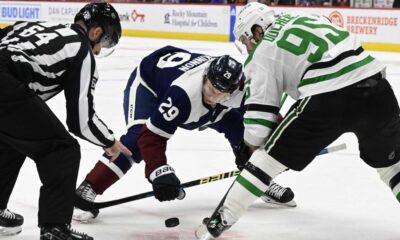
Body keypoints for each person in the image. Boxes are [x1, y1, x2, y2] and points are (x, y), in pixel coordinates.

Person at [195, 2, 400, 239]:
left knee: (265, 161)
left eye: (245, 39)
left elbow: (259, 126)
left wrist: (248, 149)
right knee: (394, 168)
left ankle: (218, 223)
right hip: (378, 89)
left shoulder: (263, 51)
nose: (247, 46)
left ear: (257, 31)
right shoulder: (307, 17)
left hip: (329, 98)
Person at [73, 45, 296, 222]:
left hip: (188, 83)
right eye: (210, 87)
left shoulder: (240, 87)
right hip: (149, 84)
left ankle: (258, 181)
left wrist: (282, 137)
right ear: (206, 75)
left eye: (220, 92)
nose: (212, 95)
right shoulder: (183, 94)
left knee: (242, 130)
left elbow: (263, 112)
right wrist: (159, 172)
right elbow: (151, 137)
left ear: (233, 89)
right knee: (135, 141)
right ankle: (89, 187)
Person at [0, 2, 132, 239]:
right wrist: (110, 142)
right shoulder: (81, 50)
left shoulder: (39, 26)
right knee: (62, 150)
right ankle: (54, 228)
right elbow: (81, 121)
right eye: (104, 42)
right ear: (96, 32)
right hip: (5, 86)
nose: (100, 50)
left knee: (14, 140)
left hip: (7, 88)